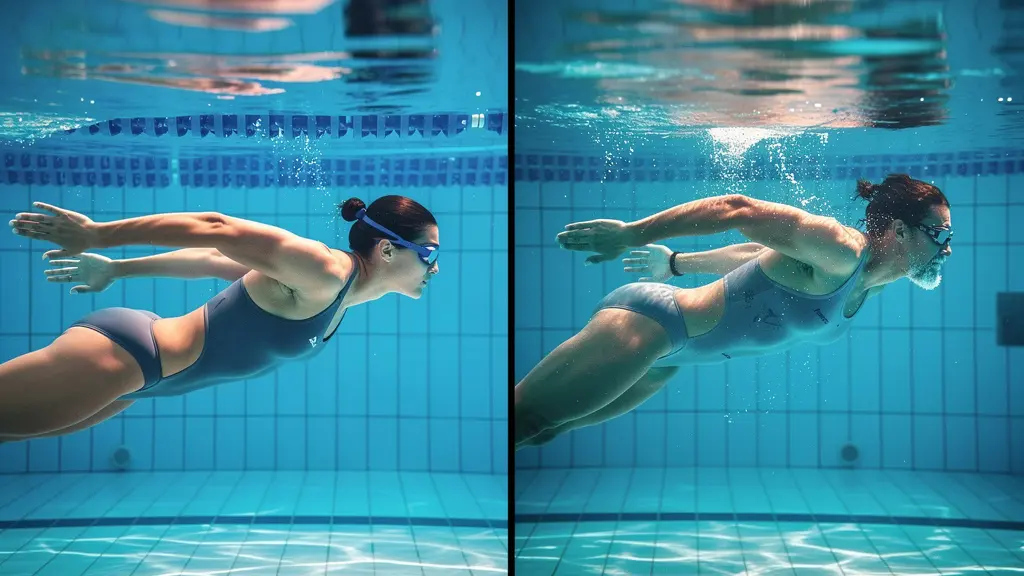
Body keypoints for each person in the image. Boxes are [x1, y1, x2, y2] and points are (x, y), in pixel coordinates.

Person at [515, 173, 952, 449]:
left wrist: (674, 263)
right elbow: (736, 208)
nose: (946, 248)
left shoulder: (871, 284)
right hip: (650, 325)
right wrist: (630, 235)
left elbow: (759, 254)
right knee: (524, 419)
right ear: (898, 230)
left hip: (669, 362)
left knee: (546, 431)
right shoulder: (842, 251)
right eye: (939, 233)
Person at [0, 195, 440, 441]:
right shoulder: (325, 271)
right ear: (386, 249)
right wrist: (98, 235)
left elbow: (212, 259)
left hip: (143, 380)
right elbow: (217, 228)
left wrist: (118, 270)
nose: (434, 268)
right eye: (429, 254)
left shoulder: (340, 296)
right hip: (126, 357)